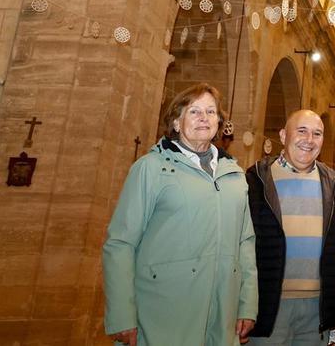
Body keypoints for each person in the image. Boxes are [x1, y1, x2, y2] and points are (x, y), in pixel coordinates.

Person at [102, 83, 258, 345]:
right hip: (163, 310)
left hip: (222, 311)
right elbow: (120, 243)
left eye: (210, 112)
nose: (203, 118)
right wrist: (121, 314)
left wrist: (247, 305)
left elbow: (245, 243)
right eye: (194, 111)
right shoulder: (151, 168)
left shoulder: (234, 175)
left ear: (219, 122)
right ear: (176, 122)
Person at [247, 109, 335, 345]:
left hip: (316, 310)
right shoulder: (257, 180)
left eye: (317, 134)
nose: (309, 140)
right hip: (268, 306)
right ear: (283, 136)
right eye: (301, 131)